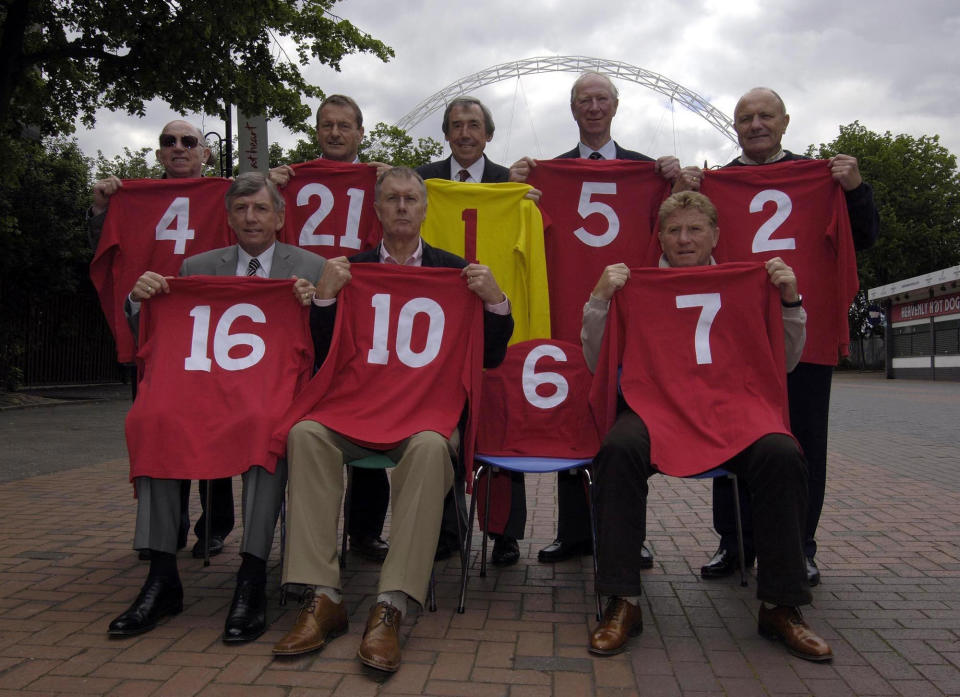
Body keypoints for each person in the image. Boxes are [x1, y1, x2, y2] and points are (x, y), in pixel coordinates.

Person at [272, 167, 513, 672]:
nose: (402, 207)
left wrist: (496, 301)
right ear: (377, 210)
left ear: (425, 209)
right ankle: (322, 596)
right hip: (355, 408)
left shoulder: (459, 271)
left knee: (430, 449)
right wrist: (325, 298)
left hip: (425, 412)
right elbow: (319, 352)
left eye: (411, 199)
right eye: (392, 199)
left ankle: (393, 604)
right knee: (306, 434)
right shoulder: (350, 269)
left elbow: (489, 357)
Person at [583, 191, 831, 662]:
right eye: (673, 230)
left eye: (695, 229)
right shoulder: (635, 284)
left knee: (782, 452)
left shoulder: (749, 281)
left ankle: (782, 605)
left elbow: (789, 361)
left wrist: (791, 303)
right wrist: (598, 300)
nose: (683, 239)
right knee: (618, 448)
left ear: (715, 235)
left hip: (732, 409)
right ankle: (622, 601)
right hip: (657, 407)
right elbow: (598, 362)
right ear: (660, 235)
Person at [107, 172, 325, 644]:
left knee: (269, 427)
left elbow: (333, 342)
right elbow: (159, 324)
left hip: (272, 394)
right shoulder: (196, 267)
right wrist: (137, 298)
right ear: (228, 218)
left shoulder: (312, 266)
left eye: (261, 209)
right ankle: (162, 573)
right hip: (201, 392)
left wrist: (317, 307)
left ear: (280, 217)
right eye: (242, 209)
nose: (251, 218)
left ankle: (251, 574)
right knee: (152, 419)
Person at [679, 88, 879, 585]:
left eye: (765, 115)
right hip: (736, 337)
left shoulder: (822, 178)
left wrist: (855, 189)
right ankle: (735, 542)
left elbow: (866, 237)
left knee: (805, 442)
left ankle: (798, 547)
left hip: (801, 330)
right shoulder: (716, 183)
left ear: (785, 121)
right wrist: (683, 186)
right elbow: (682, 239)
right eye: (745, 118)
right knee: (731, 436)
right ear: (735, 126)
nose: (755, 124)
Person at [509, 72, 681, 567]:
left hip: (631, 318)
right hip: (569, 312)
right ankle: (574, 532)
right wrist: (513, 187)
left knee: (626, 419)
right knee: (574, 416)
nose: (593, 106)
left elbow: (677, 229)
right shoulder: (546, 173)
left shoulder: (647, 171)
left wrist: (674, 178)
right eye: (584, 100)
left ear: (616, 105)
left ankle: (629, 533)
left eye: (601, 98)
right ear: (572, 108)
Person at [89, 120, 234, 560]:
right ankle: (165, 525)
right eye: (168, 142)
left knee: (217, 427)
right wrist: (100, 207)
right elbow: (101, 254)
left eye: (188, 141)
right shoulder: (131, 197)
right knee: (158, 429)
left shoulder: (227, 198)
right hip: (153, 332)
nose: (178, 148)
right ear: (158, 153)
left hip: (212, 332)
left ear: (205, 153)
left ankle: (215, 525)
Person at [271, 94, 392, 563]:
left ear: (361, 133)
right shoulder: (289, 181)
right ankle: (304, 532)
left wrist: (384, 185)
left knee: (364, 411)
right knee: (300, 422)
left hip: (359, 315)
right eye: (328, 125)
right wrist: (270, 185)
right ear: (316, 131)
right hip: (300, 314)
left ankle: (364, 531)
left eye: (345, 125)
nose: (336, 133)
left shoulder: (377, 182)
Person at [416, 96, 521, 567]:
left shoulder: (511, 185)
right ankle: (445, 529)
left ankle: (504, 534)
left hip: (491, 315)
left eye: (473, 125)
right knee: (441, 422)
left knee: (498, 422)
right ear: (446, 133)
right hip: (435, 323)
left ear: (488, 133)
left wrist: (530, 204)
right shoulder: (423, 180)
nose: (464, 133)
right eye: (456, 125)